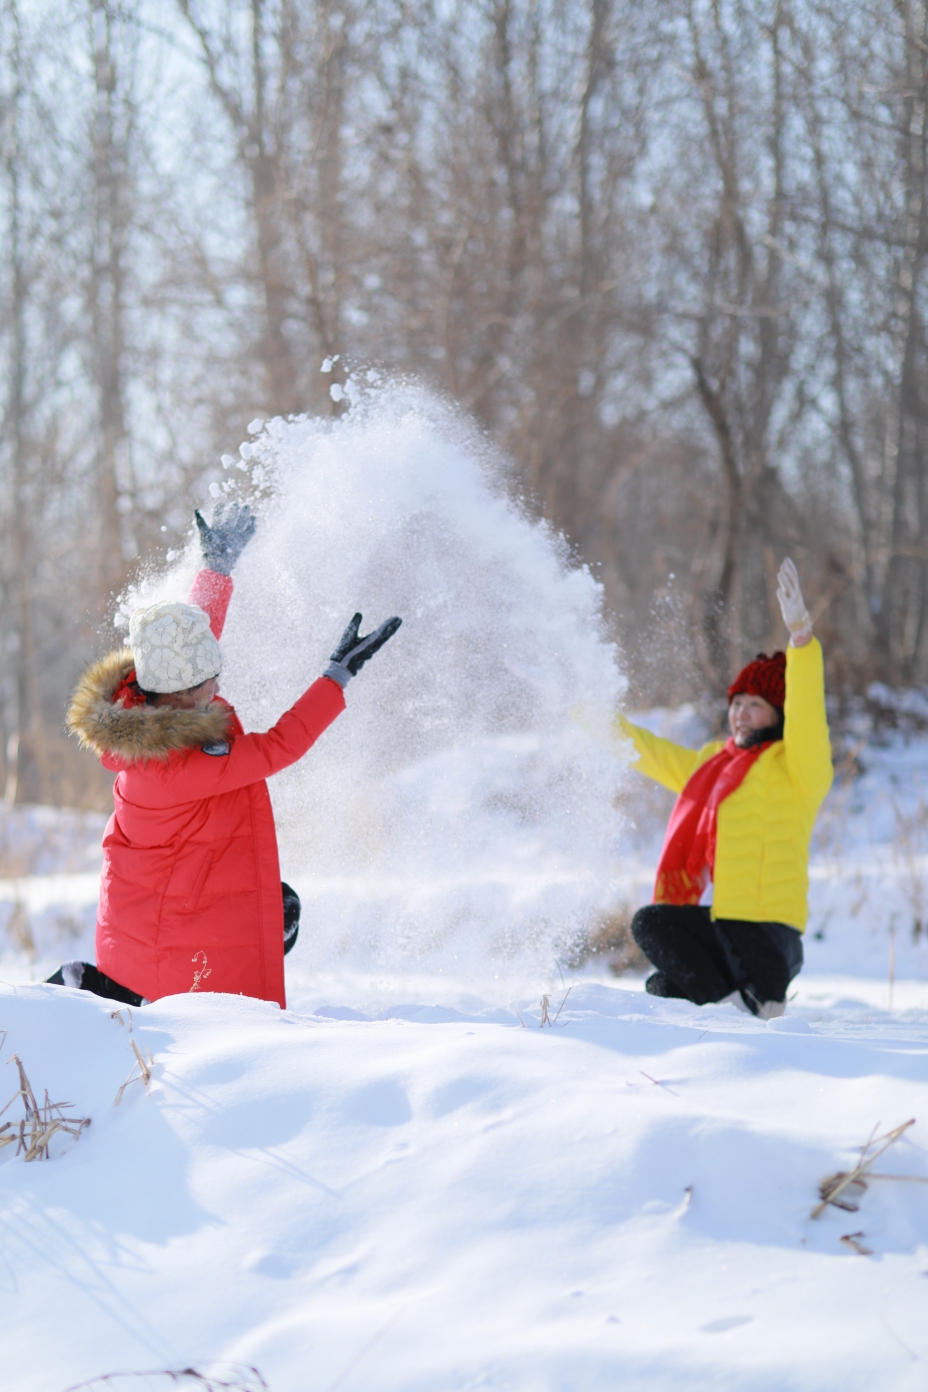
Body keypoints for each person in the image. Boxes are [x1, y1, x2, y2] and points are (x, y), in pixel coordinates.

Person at [48, 501, 401, 1009]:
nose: (220, 681)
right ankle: (83, 994)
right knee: (253, 941)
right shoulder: (175, 768)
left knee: (272, 906)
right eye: (213, 677)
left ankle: (95, 988)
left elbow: (188, 645)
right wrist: (337, 675)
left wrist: (216, 570)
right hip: (164, 948)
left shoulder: (150, 704)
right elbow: (279, 746)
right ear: (187, 694)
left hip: (157, 907)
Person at [590, 558, 832, 1018]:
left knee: (651, 924)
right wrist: (577, 706)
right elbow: (645, 750)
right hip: (728, 927)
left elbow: (809, 716)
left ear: (779, 713)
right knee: (663, 987)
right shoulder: (713, 768)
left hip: (766, 936)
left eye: (755, 704)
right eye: (736, 702)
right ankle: (732, 1013)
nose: (740, 713)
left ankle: (739, 1017)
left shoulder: (797, 767)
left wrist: (801, 639)